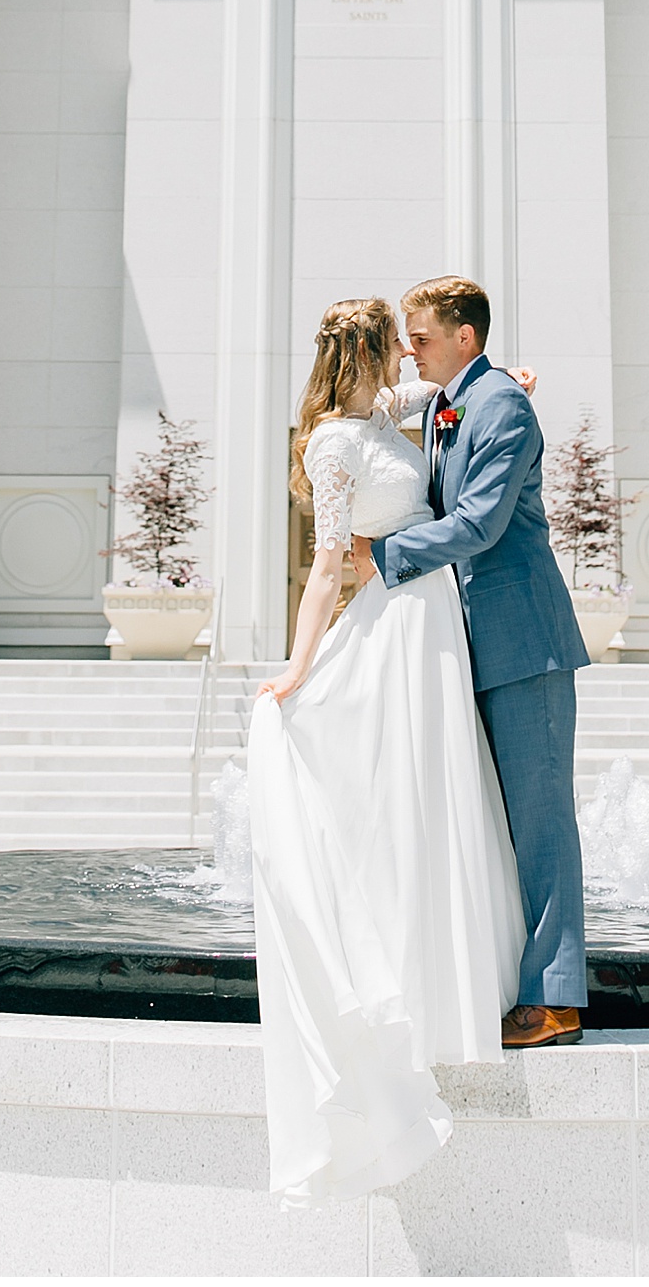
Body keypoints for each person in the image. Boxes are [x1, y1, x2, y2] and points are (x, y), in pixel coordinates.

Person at [245, 296, 525, 1207]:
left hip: (434, 623)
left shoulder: (385, 412)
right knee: (399, 796)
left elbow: (447, 397)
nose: (408, 356)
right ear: (364, 353)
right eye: (391, 347)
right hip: (393, 627)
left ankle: (457, 982)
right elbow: (326, 563)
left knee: (440, 794)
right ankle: (400, 982)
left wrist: (508, 384)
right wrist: (296, 668)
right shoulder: (334, 442)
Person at [373, 277, 591, 1051]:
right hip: (464, 642)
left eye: (421, 336)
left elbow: (479, 524)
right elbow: (366, 400)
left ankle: (557, 996)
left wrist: (380, 556)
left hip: (524, 641)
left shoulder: (500, 406)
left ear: (465, 337)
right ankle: (503, 977)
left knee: (540, 822)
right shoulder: (445, 399)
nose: (410, 349)